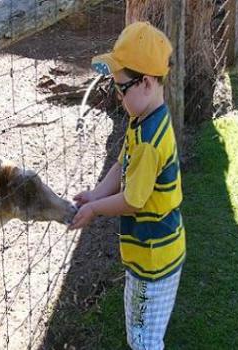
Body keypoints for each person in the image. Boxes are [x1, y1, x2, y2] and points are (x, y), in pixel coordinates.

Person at [70, 21, 185, 350]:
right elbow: (122, 162)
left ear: (146, 83)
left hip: (154, 259)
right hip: (146, 253)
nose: (117, 96)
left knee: (145, 340)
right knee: (139, 325)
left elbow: (133, 200)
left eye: (121, 88)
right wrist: (95, 193)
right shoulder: (142, 120)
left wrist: (93, 209)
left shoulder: (150, 139)